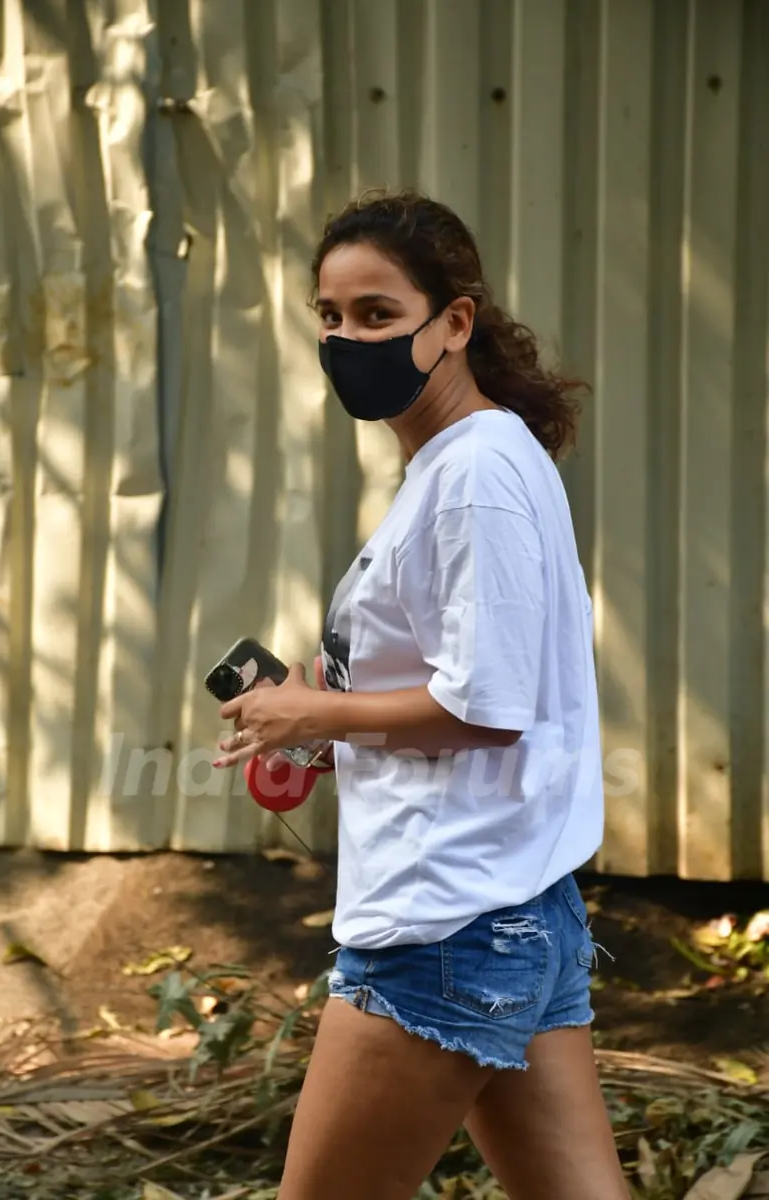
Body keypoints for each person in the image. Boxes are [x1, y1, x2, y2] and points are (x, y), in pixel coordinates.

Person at [213, 190, 629, 1200]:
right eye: (329, 315)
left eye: (374, 315)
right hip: (513, 905)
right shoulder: (472, 460)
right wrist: (325, 722)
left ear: (453, 324)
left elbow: (488, 707)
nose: (345, 337)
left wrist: (312, 714)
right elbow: (458, 686)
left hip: (440, 924)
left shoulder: (474, 476)